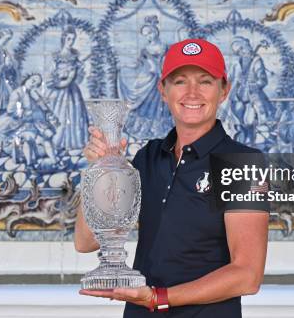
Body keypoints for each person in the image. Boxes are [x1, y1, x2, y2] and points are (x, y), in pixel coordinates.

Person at [75, 39, 269, 317]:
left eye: (205, 81)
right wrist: (102, 169)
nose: (192, 92)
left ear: (224, 90)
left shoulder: (244, 164)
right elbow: (87, 242)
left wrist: (158, 298)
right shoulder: (148, 156)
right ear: (162, 91)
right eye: (179, 81)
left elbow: (247, 276)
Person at [119, 15, 174, 140]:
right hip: (149, 81)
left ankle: (162, 129)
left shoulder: (166, 47)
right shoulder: (145, 50)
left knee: (162, 104)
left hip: (163, 78)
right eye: (146, 35)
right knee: (147, 103)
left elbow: (171, 61)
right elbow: (138, 64)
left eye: (149, 33)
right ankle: (145, 128)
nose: (148, 36)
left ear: (155, 31)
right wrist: (126, 65)